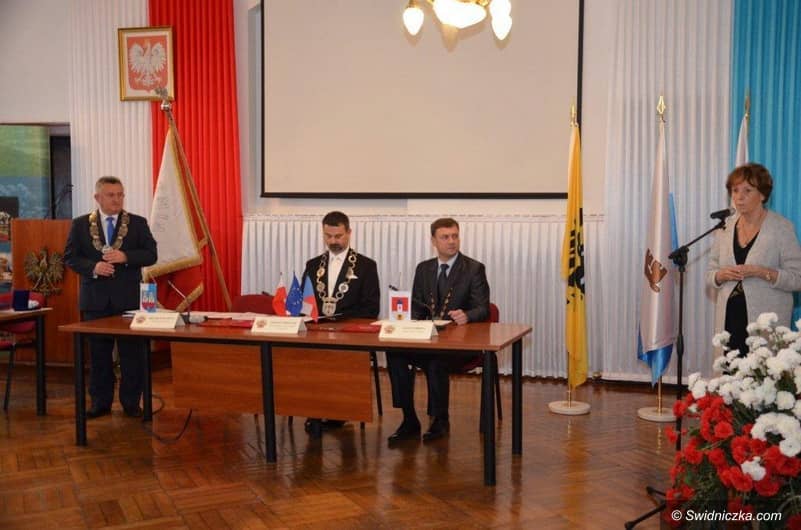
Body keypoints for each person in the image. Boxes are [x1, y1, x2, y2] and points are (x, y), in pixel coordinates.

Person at [386, 217, 490, 443]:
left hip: (460, 345)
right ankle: (409, 419)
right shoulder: (424, 269)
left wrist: (467, 315)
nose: (451, 241)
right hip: (428, 338)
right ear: (433, 241)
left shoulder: (473, 269)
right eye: (445, 237)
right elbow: (417, 306)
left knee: (436, 360)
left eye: (455, 236)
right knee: (395, 354)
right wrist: (403, 319)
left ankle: (439, 420)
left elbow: (483, 308)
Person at [64, 176, 158, 418]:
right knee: (98, 356)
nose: (117, 200)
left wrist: (126, 257)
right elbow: (70, 257)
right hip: (95, 301)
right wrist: (93, 267)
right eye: (111, 195)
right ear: (98, 197)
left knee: (131, 356)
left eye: (120, 195)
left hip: (128, 300)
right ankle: (100, 403)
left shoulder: (137, 223)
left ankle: (131, 403)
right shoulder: (80, 224)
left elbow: (151, 254)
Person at [707, 163, 801, 356]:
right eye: (735, 191)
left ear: (763, 195)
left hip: (765, 326)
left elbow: (797, 279)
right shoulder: (725, 229)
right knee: (728, 371)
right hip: (729, 319)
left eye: (747, 191)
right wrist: (720, 275)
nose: (739, 197)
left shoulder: (782, 228)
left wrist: (761, 272)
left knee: (759, 373)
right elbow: (710, 273)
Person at [301, 211, 380, 434]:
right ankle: (314, 411)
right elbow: (305, 303)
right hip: (318, 333)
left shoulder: (366, 266)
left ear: (349, 233)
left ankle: (342, 411)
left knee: (340, 356)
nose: (333, 241)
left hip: (350, 332)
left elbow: (371, 308)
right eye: (328, 236)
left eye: (338, 236)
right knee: (306, 357)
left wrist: (339, 321)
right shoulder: (313, 265)